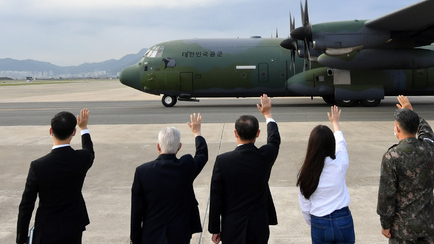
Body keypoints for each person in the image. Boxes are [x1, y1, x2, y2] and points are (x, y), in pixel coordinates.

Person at [209, 94, 280, 244]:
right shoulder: (265, 155)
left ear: (235, 133)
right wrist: (268, 115)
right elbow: (274, 139)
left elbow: (216, 198)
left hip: (232, 227)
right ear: (258, 134)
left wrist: (215, 228)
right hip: (258, 226)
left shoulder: (223, 161)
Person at [16, 108, 94, 244]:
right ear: (73, 132)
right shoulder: (82, 158)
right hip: (73, 225)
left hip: (47, 229)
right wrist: (84, 128)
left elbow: (26, 205)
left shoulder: (38, 166)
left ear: (50, 131)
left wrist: (21, 238)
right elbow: (89, 150)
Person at [130, 113, 209, 244]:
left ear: (158, 146)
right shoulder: (186, 166)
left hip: (152, 234)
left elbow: (136, 210)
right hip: (180, 233)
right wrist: (197, 133)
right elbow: (202, 155)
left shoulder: (142, 171)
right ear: (179, 147)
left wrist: (135, 239)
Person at [377, 96, 434, 244]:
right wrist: (412, 113)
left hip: (403, 231)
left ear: (397, 128)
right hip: (428, 227)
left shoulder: (392, 156)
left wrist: (385, 224)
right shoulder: (429, 149)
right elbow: (427, 132)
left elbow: (386, 195)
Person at [297, 105, 355, 244]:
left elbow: (305, 204)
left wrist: (314, 223)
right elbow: (341, 143)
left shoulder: (305, 172)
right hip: (343, 219)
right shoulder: (340, 163)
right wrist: (335, 123)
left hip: (319, 221)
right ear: (331, 144)